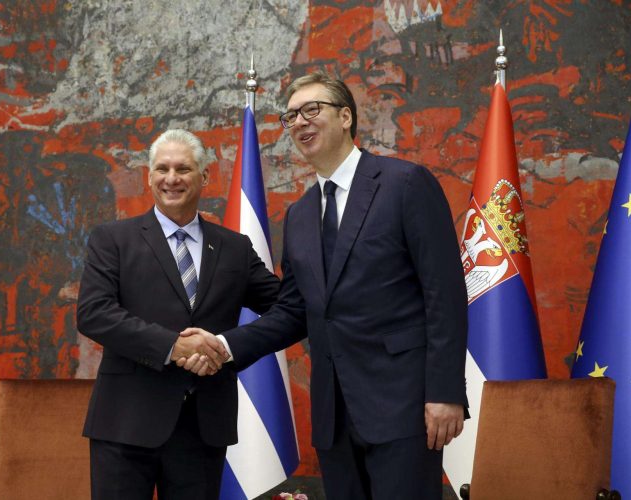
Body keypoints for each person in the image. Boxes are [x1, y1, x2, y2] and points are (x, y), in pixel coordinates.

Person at [181, 73, 469, 500]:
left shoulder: (405, 184)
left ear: (346, 116)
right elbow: (294, 311)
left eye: (312, 109)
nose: (299, 122)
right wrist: (225, 346)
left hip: (405, 407)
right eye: (291, 115)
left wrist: (446, 393)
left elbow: (444, 294)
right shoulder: (298, 215)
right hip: (334, 416)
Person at [76, 129, 279, 500]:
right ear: (149, 176)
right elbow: (94, 314)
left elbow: (284, 308)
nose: (172, 179)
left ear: (204, 177)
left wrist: (226, 346)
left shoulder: (235, 247)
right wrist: (174, 347)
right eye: (162, 169)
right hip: (126, 423)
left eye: (183, 169)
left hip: (203, 428)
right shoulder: (112, 239)